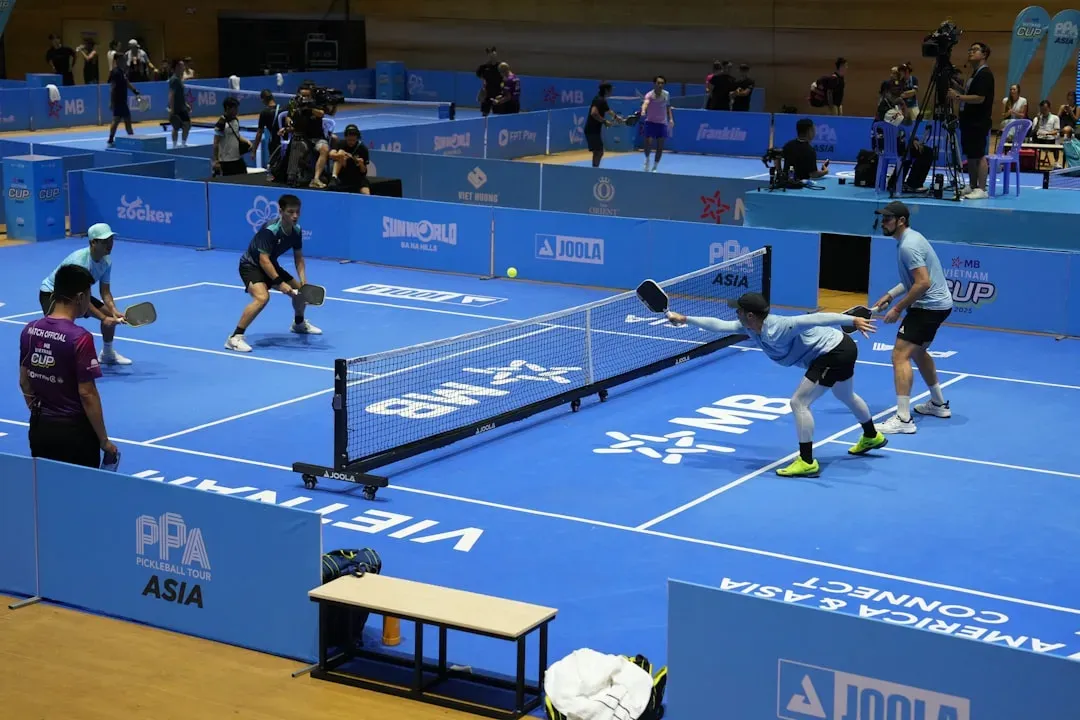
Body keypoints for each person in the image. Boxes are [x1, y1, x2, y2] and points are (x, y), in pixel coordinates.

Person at [666, 292, 887, 478]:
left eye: (739, 310)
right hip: (841, 347)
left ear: (750, 315)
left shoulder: (782, 326)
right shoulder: (749, 327)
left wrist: (851, 321)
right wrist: (685, 319)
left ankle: (807, 461)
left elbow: (815, 319)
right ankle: (871, 436)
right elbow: (720, 326)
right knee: (845, 395)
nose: (736, 313)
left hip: (832, 352)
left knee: (799, 402)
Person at [21, 264, 118, 468]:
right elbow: (87, 394)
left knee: (46, 484)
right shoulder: (80, 338)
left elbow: (24, 382)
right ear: (81, 297)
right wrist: (103, 440)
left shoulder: (30, 330)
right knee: (80, 487)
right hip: (75, 433)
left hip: (40, 429)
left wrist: (40, 415)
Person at [870, 202, 954, 434]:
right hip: (940, 305)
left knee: (899, 356)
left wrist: (897, 308)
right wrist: (890, 295)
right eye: (882, 219)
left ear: (901, 221)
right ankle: (938, 404)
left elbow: (923, 283)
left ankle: (903, 419)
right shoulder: (911, 239)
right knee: (917, 352)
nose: (883, 223)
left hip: (928, 307)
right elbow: (914, 280)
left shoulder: (908, 246)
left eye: (888, 219)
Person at [226, 194, 320, 353]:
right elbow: (263, 260)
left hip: (271, 264)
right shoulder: (270, 230)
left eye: (297, 212)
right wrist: (280, 283)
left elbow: (298, 258)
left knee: (300, 293)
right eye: (290, 212)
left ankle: (298, 324)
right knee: (262, 298)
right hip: (251, 265)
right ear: (281, 211)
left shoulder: (296, 231)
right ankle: (235, 338)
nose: (295, 216)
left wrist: (303, 281)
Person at [39, 223, 131, 366]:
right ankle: (48, 358)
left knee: (109, 316)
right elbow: (81, 299)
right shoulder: (80, 262)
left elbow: (105, 292)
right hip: (53, 293)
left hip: (78, 292)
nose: (110, 244)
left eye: (111, 240)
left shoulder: (106, 261)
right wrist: (103, 318)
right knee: (59, 325)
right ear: (93, 243)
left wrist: (113, 311)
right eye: (105, 241)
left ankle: (107, 353)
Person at [948, 42, 994, 200]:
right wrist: (957, 88)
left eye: (975, 50)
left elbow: (980, 98)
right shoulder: (975, 74)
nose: (971, 52)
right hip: (968, 120)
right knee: (971, 155)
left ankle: (982, 188)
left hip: (978, 120)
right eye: (970, 49)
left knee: (979, 155)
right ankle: (973, 185)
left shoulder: (985, 74)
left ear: (984, 54)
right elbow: (970, 93)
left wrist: (958, 96)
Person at [640, 76, 674, 172]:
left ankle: (655, 167)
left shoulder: (666, 94)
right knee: (648, 144)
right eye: (658, 83)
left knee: (660, 146)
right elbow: (645, 103)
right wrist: (643, 110)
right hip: (650, 122)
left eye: (662, 83)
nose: (660, 85)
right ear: (654, 84)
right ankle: (647, 159)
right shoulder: (649, 95)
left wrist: (671, 119)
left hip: (662, 123)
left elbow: (668, 107)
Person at [328, 124, 371, 193]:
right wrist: (341, 154)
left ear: (357, 138)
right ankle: (334, 178)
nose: (351, 142)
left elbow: (363, 171)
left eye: (353, 140)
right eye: (349, 140)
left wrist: (361, 164)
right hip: (342, 175)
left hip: (357, 177)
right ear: (345, 137)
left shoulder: (363, 149)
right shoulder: (340, 143)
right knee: (340, 153)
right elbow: (331, 154)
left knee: (366, 193)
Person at [584, 82, 618, 167]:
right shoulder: (599, 100)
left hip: (594, 130)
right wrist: (604, 121)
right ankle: (595, 170)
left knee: (598, 151)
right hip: (591, 130)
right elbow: (594, 113)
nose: (612, 91)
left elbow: (608, 111)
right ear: (606, 90)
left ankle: (595, 169)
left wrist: (617, 117)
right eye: (611, 90)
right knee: (598, 151)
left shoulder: (602, 99)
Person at [168, 59, 192, 148]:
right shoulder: (174, 79)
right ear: (177, 67)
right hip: (176, 108)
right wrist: (172, 109)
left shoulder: (179, 79)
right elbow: (171, 94)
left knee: (187, 125)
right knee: (176, 127)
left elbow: (180, 94)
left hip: (182, 107)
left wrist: (185, 104)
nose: (184, 67)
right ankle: (175, 145)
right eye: (182, 66)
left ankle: (182, 144)